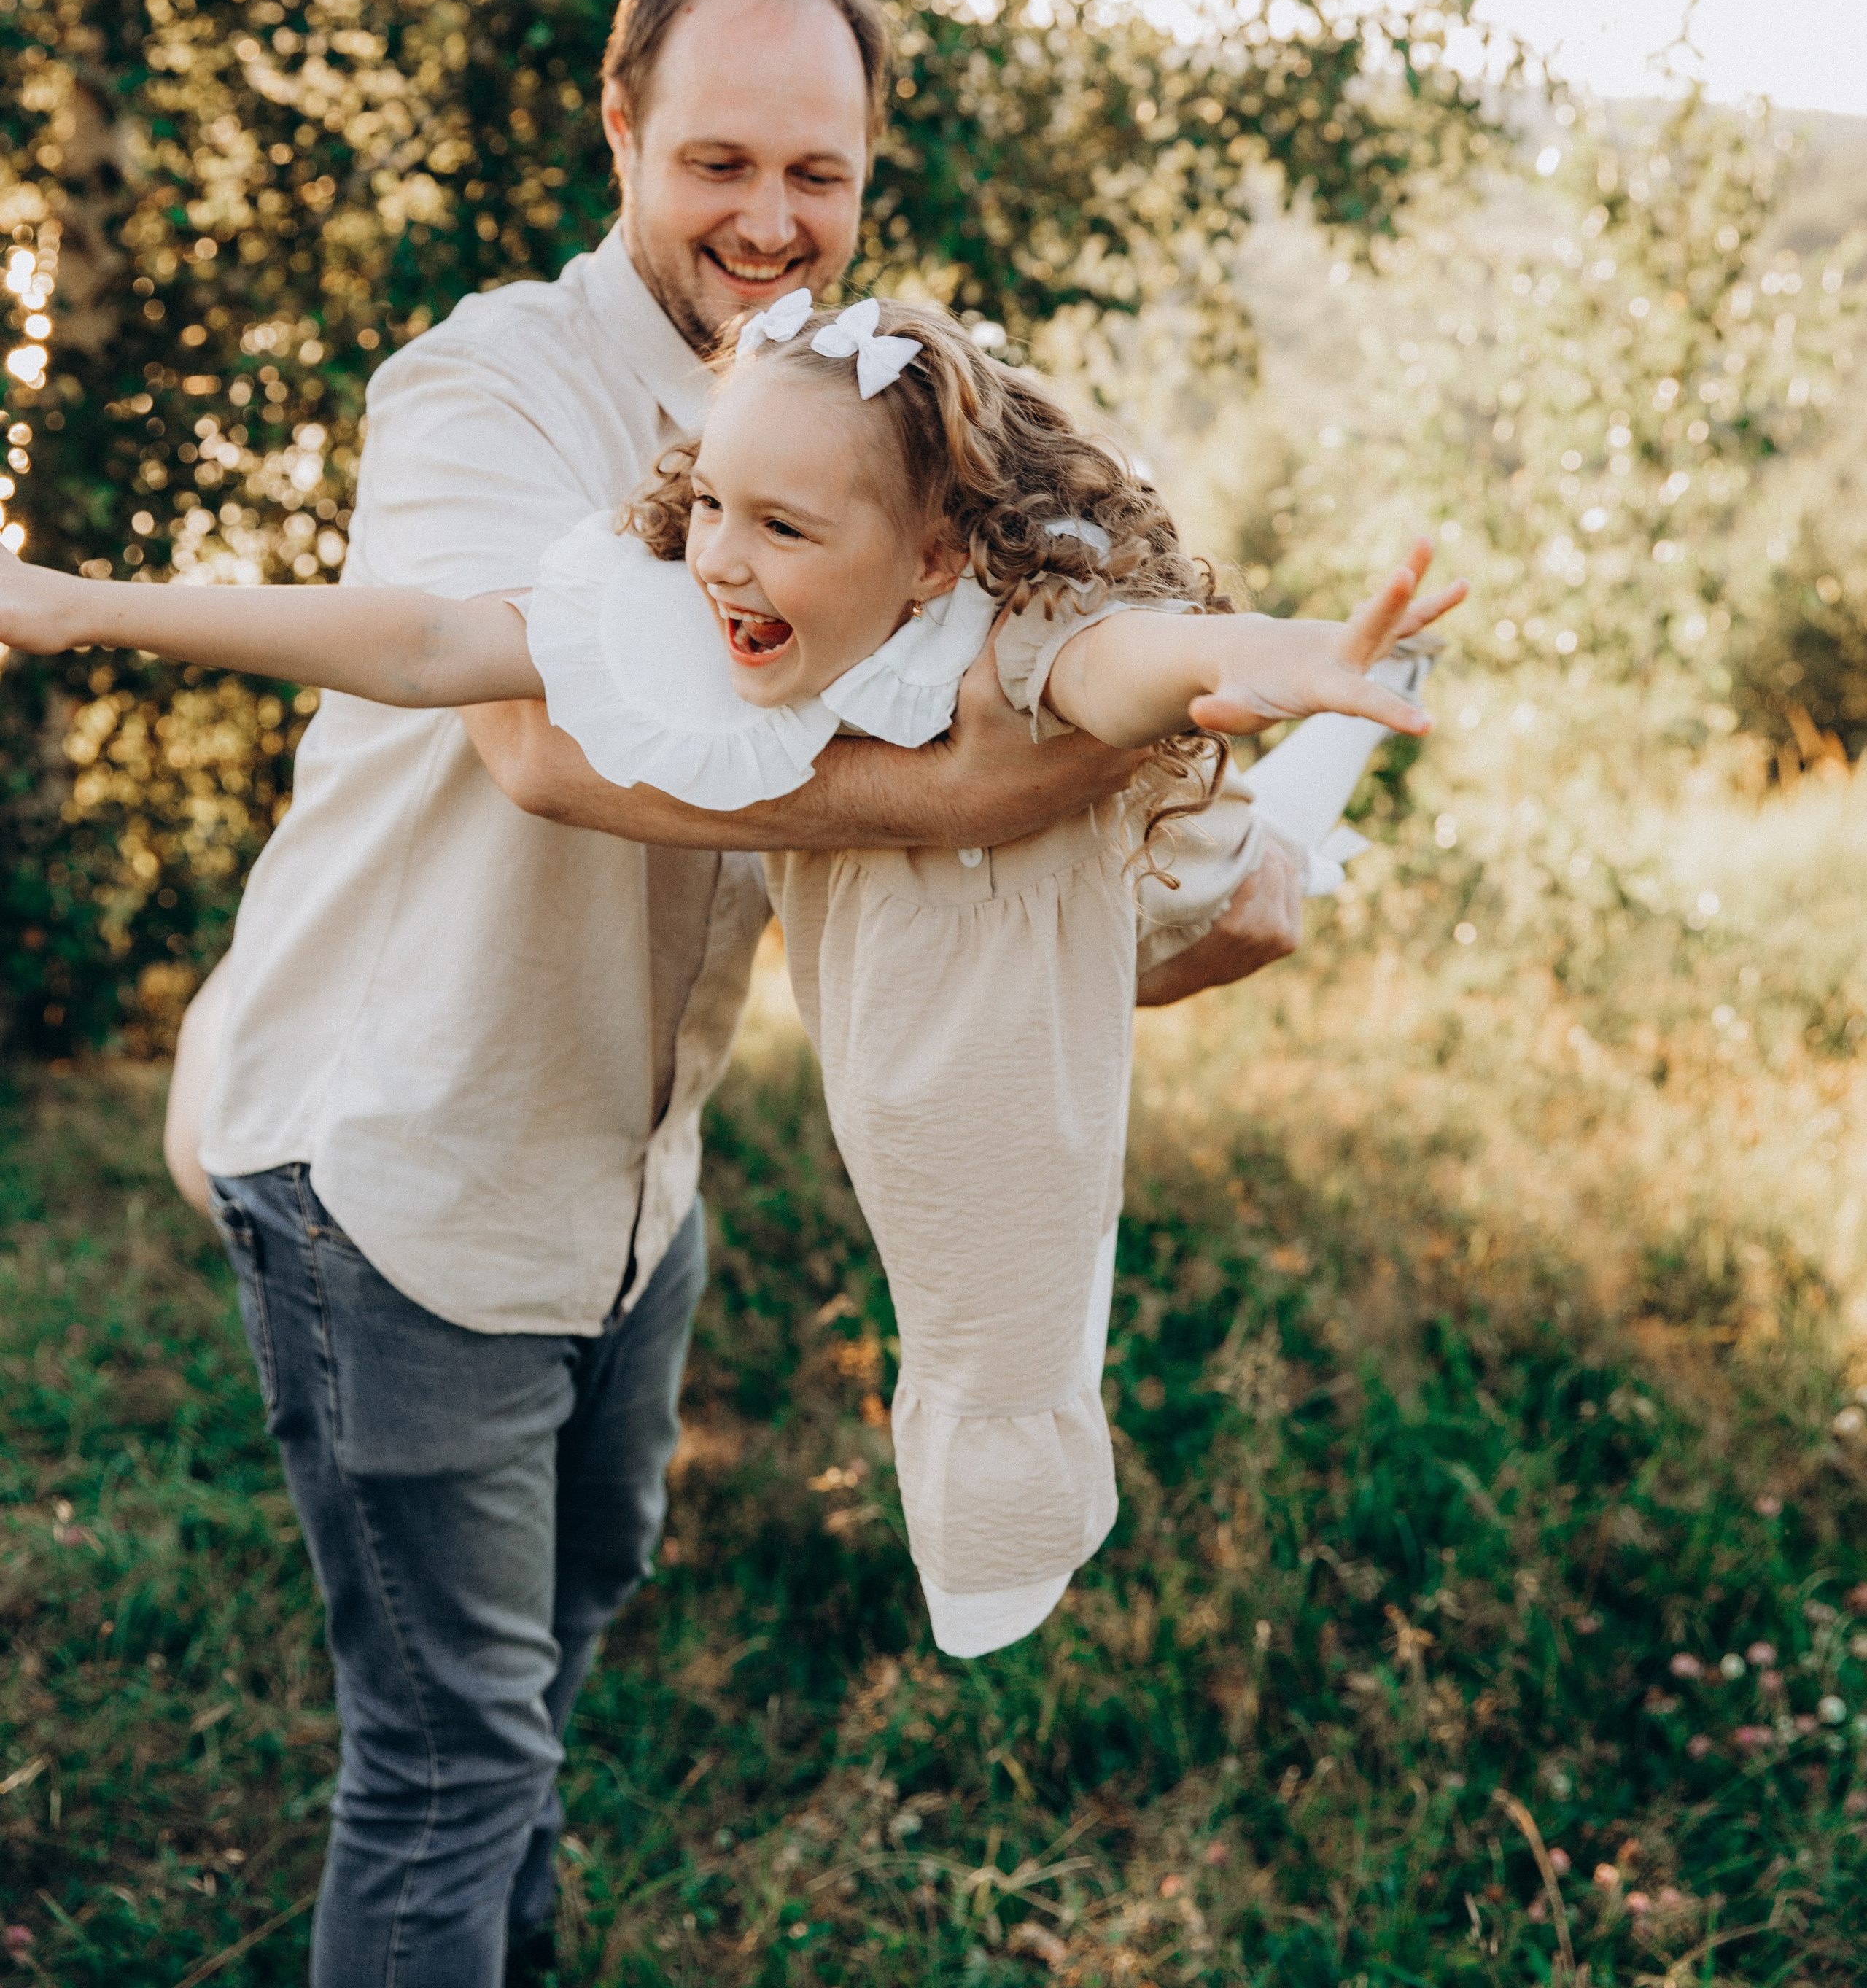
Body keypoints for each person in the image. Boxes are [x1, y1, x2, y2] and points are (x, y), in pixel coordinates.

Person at [4, 0, 1304, 1988]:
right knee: (440, 1761)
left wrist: (1168, 901)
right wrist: (983, 795)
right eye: (719, 162)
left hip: (629, 1180)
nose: (771, 221)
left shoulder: (861, 429)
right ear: (621, 128)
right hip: (397, 1161)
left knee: (540, 1671)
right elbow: (536, 736)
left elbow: (950, 808)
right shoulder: (489, 384)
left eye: (820, 174)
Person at [0, 292, 1456, 1669]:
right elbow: (428, 636)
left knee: (1069, 1178)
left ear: (931, 553)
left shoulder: (996, 642)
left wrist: (1279, 656)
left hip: (1144, 889)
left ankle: (1332, 758)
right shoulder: (681, 618)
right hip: (944, 962)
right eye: (708, 503)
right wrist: (84, 606)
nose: (718, 558)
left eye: (780, 525)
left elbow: (1130, 663)